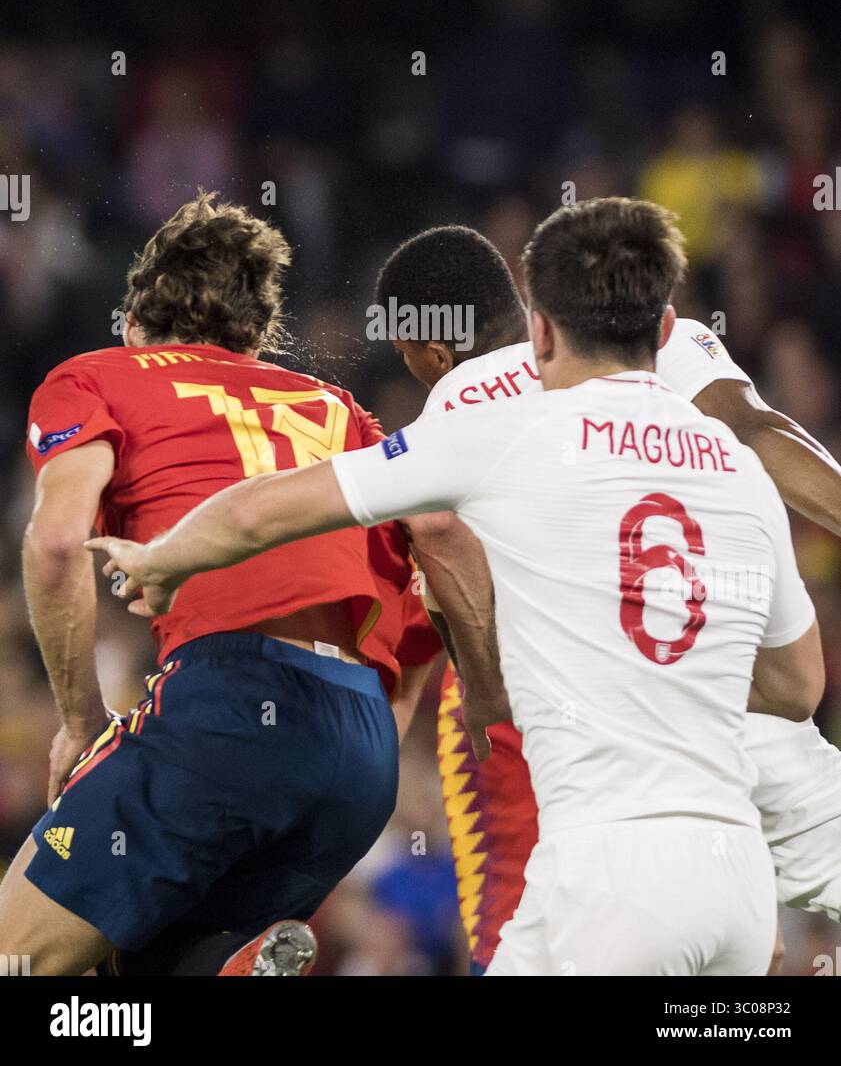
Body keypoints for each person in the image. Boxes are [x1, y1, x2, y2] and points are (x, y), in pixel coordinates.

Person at [86, 198, 824, 976]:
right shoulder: (730, 457)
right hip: (736, 853)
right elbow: (796, 683)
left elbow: (283, 509)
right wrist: (670, 675)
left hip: (605, 852)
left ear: (541, 329)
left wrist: (163, 559)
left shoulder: (482, 417)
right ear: (663, 324)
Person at [375, 221, 841, 972]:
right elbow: (756, 430)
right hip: (725, 694)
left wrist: (488, 694)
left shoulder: (454, 412)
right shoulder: (647, 339)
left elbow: (442, 546)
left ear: (426, 351)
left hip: (599, 749)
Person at [0, 192, 439, 976]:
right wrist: (374, 733)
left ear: (133, 327)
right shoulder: (341, 410)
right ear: (256, 338)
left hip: (226, 711)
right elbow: (435, 570)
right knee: (140, 968)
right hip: (358, 755)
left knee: (16, 961)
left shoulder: (100, 375)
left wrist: (80, 718)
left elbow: (57, 542)